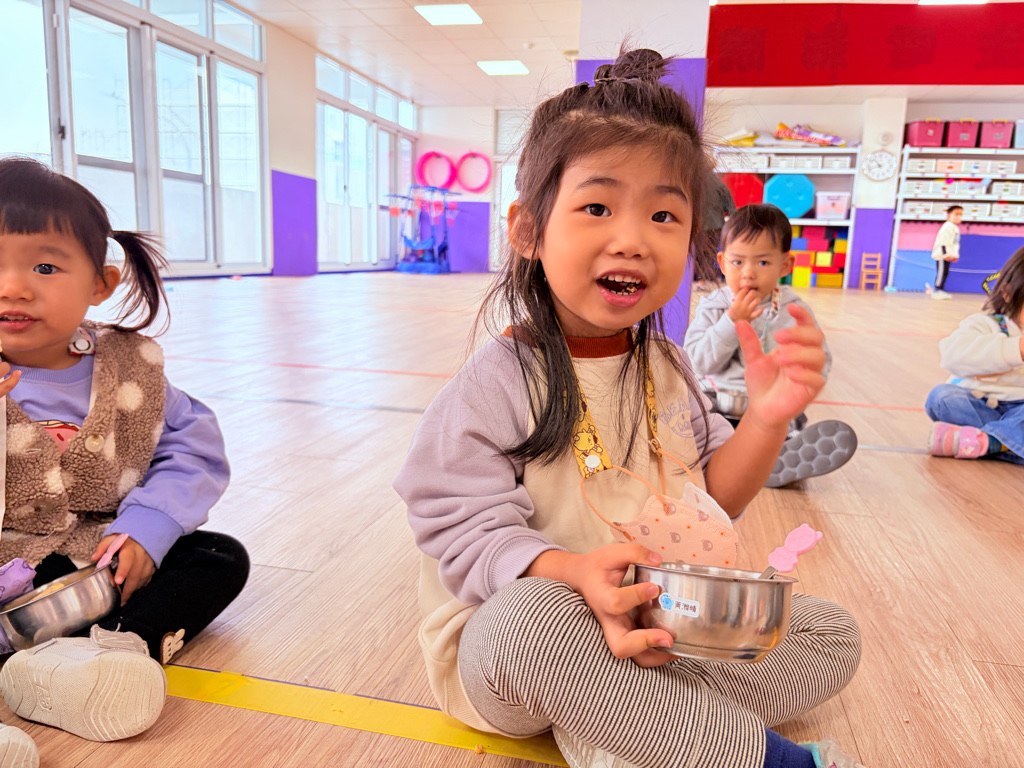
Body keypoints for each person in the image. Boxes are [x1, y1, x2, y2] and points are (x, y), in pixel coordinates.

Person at [394, 49, 863, 768]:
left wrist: (768, 419)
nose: (634, 239)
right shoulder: (495, 384)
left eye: (664, 214)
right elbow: (461, 535)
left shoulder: (667, 365)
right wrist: (577, 575)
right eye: (597, 207)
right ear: (527, 230)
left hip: (659, 617)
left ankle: (640, 717)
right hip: (524, 646)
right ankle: (749, 751)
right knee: (526, 623)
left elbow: (718, 495)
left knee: (829, 632)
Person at [0, 158, 249, 759]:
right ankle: (44, 669)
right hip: (9, 564)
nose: (12, 287)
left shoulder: (128, 368)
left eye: (44, 266)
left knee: (218, 558)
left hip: (95, 562)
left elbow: (192, 447)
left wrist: (146, 530)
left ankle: (107, 653)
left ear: (100, 283)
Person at [683, 204, 857, 488]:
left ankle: (772, 457)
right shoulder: (713, 307)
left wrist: (793, 391)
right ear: (723, 262)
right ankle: (736, 459)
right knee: (697, 423)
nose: (748, 273)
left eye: (762, 263)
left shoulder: (793, 311)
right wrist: (731, 322)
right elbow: (696, 363)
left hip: (768, 408)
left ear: (785, 266)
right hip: (718, 403)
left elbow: (817, 361)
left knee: (783, 424)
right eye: (738, 262)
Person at [927, 245, 1024, 463]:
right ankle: (1005, 442)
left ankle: (986, 442)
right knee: (941, 397)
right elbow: (952, 356)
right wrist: (1016, 348)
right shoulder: (986, 324)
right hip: (981, 405)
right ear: (1008, 294)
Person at [927, 204, 962, 300]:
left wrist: (955, 255)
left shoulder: (955, 228)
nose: (958, 217)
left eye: (960, 215)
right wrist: (945, 254)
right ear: (949, 216)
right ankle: (938, 290)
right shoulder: (947, 226)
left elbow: (955, 243)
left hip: (949, 255)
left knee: (945, 273)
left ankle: (941, 290)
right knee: (941, 273)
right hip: (942, 255)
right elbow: (943, 242)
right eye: (956, 214)